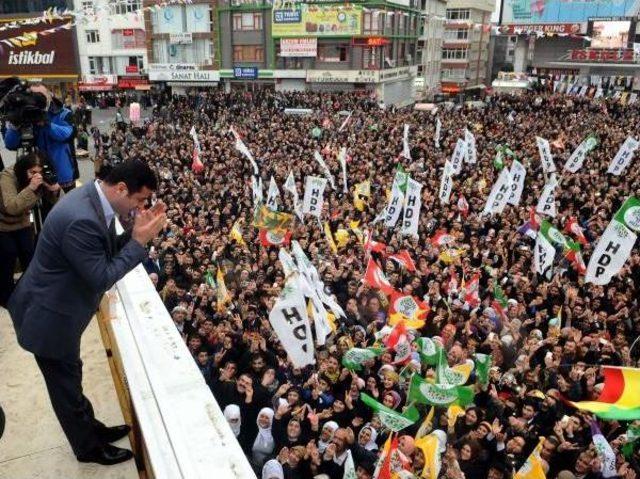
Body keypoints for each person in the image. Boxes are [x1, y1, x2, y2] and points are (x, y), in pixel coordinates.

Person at [7, 159, 166, 465]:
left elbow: (101, 249)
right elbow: (102, 275)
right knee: (66, 388)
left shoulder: (95, 200)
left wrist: (134, 231)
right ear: (121, 188)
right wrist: (139, 242)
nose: (142, 206)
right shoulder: (82, 218)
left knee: (72, 377)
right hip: (48, 320)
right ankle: (88, 448)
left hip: (57, 312)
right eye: (139, 199)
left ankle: (91, 428)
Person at [0, 152, 60, 306]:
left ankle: (31, 291)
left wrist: (54, 190)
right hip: (3, 223)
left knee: (30, 254)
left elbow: (55, 201)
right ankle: (5, 296)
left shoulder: (42, 177)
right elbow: (12, 207)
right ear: (24, 170)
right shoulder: (8, 176)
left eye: (40, 172)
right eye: (32, 172)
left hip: (23, 221)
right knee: (8, 254)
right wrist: (32, 187)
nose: (36, 176)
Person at [3, 84, 77, 192]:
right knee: (47, 208)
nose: (36, 100)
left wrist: (46, 123)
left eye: (40, 95)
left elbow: (68, 134)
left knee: (70, 205)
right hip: (38, 176)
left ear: (49, 95)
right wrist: (15, 126)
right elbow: (10, 144)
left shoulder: (63, 113)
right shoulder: (23, 114)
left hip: (64, 174)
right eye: (33, 96)